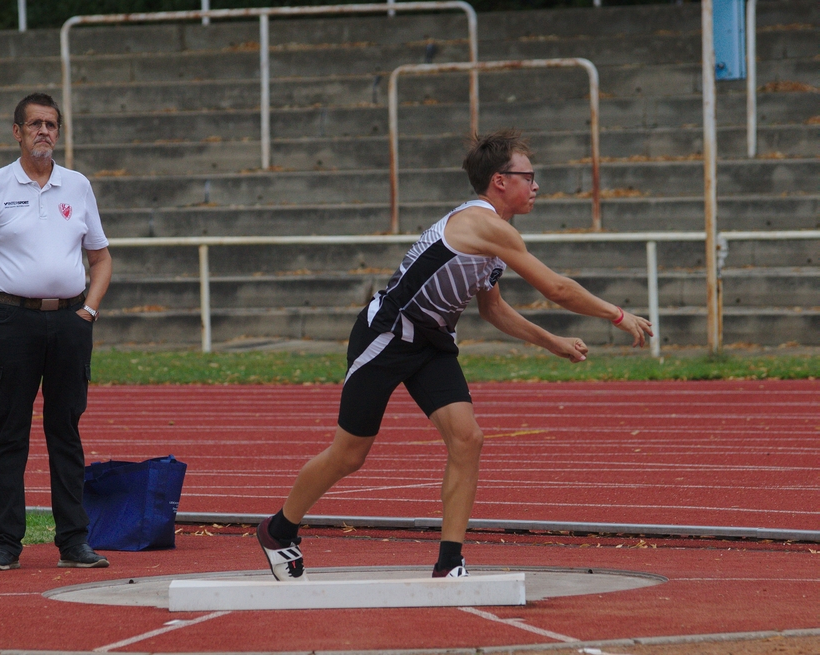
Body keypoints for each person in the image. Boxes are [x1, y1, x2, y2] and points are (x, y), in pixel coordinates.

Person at [257, 129, 653, 580]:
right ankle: (278, 529)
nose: (536, 186)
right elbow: (556, 288)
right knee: (349, 455)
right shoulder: (482, 224)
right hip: (387, 335)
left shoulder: (498, 234)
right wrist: (617, 314)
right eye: (528, 177)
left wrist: (551, 342)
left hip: (432, 343)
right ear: (500, 180)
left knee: (468, 439)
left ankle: (449, 563)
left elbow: (493, 308)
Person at [0, 93, 113, 572]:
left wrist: (88, 311)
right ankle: (6, 542)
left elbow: (101, 258)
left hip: (70, 322)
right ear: (17, 132)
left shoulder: (78, 185)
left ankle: (74, 541)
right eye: (35, 124)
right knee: (10, 432)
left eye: (51, 124)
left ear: (58, 132)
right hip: (11, 320)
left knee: (65, 430)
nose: (44, 131)